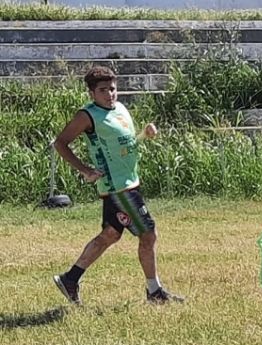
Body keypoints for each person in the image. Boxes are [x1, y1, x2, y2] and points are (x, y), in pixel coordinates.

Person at [52, 66, 184, 306]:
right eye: (103, 90)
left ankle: (70, 279)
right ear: (92, 92)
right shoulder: (88, 115)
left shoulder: (120, 109)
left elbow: (128, 142)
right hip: (118, 188)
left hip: (130, 182)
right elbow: (60, 143)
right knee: (149, 234)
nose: (109, 94)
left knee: (110, 235)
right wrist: (85, 170)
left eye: (113, 89)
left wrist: (145, 133)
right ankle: (155, 292)